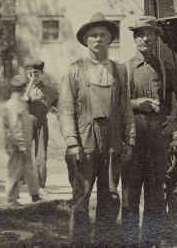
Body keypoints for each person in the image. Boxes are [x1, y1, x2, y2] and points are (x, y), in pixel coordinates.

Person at [57, 12, 136, 247]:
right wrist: (72, 142)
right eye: (93, 36)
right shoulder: (74, 70)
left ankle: (106, 243)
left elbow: (126, 108)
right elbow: (65, 109)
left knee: (110, 195)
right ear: (86, 41)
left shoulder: (120, 70)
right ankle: (79, 243)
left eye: (103, 35)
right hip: (85, 140)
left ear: (110, 39)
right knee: (81, 196)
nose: (98, 39)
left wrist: (129, 140)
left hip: (112, 140)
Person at [121, 16, 177, 246]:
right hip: (132, 140)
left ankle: (151, 242)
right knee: (130, 195)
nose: (146, 38)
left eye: (150, 35)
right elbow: (115, 103)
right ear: (135, 38)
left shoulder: (165, 68)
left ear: (156, 39)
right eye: (141, 34)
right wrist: (136, 104)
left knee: (155, 195)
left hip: (158, 141)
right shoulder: (123, 70)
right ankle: (131, 243)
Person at [3, 74, 41, 207]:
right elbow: (15, 126)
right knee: (14, 170)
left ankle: (35, 195)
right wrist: (21, 144)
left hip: (25, 142)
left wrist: (30, 82)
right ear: (19, 89)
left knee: (28, 168)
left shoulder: (20, 101)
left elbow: (26, 94)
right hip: (17, 144)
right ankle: (11, 199)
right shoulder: (13, 105)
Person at [23, 58, 58, 192]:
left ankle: (40, 185)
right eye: (30, 73)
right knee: (24, 152)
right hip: (27, 122)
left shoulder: (49, 90)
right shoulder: (24, 88)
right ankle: (22, 181)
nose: (34, 76)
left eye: (36, 73)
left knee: (41, 154)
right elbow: (25, 99)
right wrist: (31, 82)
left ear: (42, 73)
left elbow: (60, 104)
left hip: (42, 122)